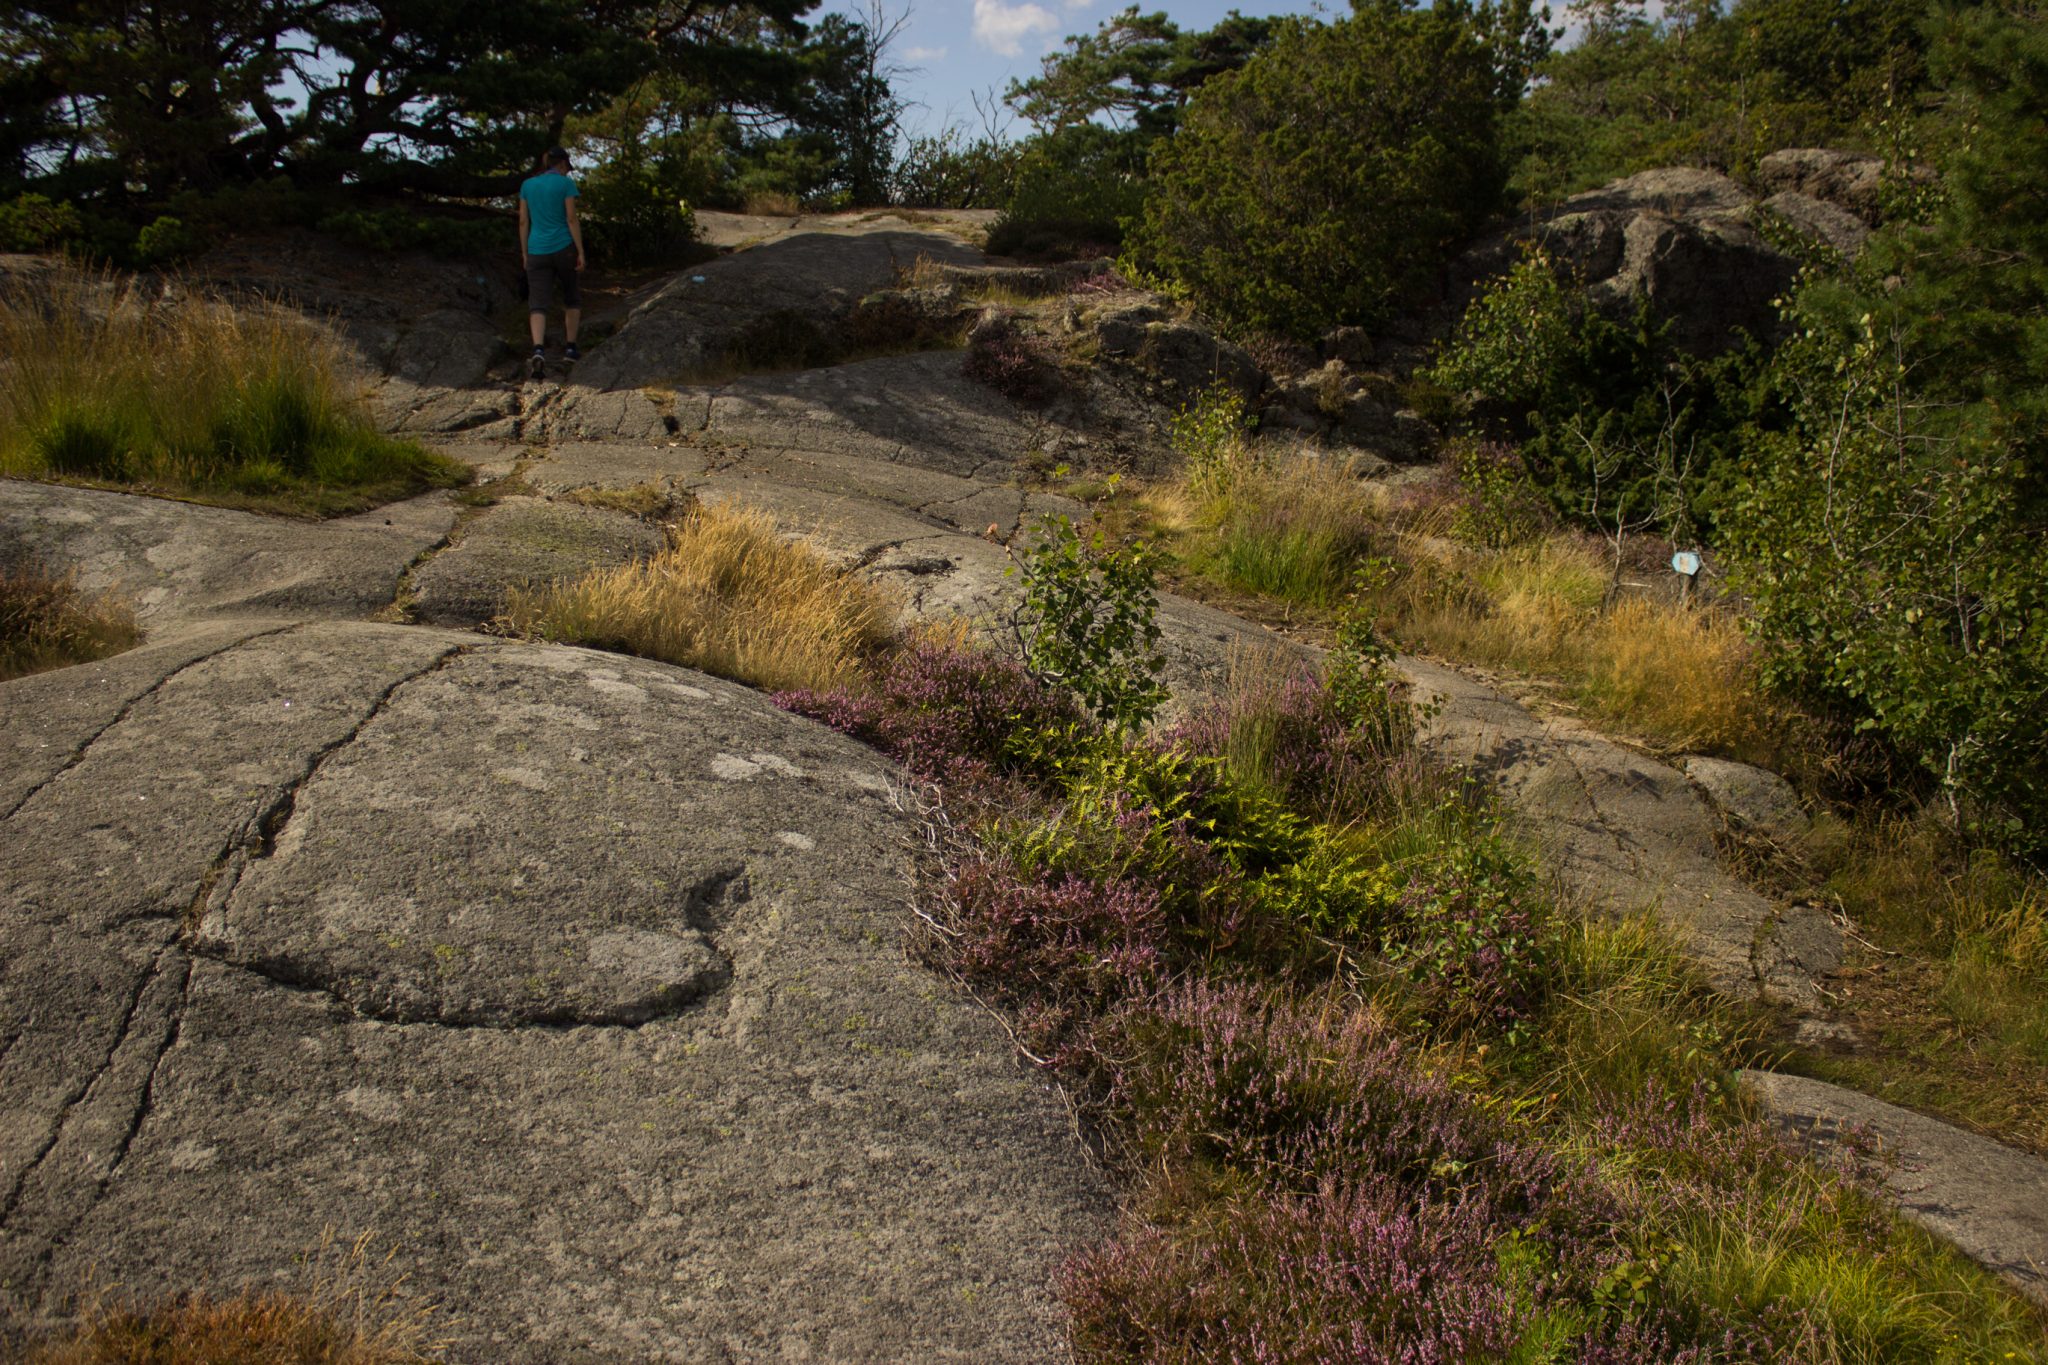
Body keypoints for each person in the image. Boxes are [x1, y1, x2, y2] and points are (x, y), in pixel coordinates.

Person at [518, 146, 585, 379]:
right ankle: (571, 348)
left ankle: (538, 348)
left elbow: (524, 221)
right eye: (567, 168)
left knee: (538, 303)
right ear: (563, 165)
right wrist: (580, 251)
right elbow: (571, 218)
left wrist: (525, 252)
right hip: (563, 246)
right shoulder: (565, 185)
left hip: (536, 248)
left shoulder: (527, 185)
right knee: (571, 297)